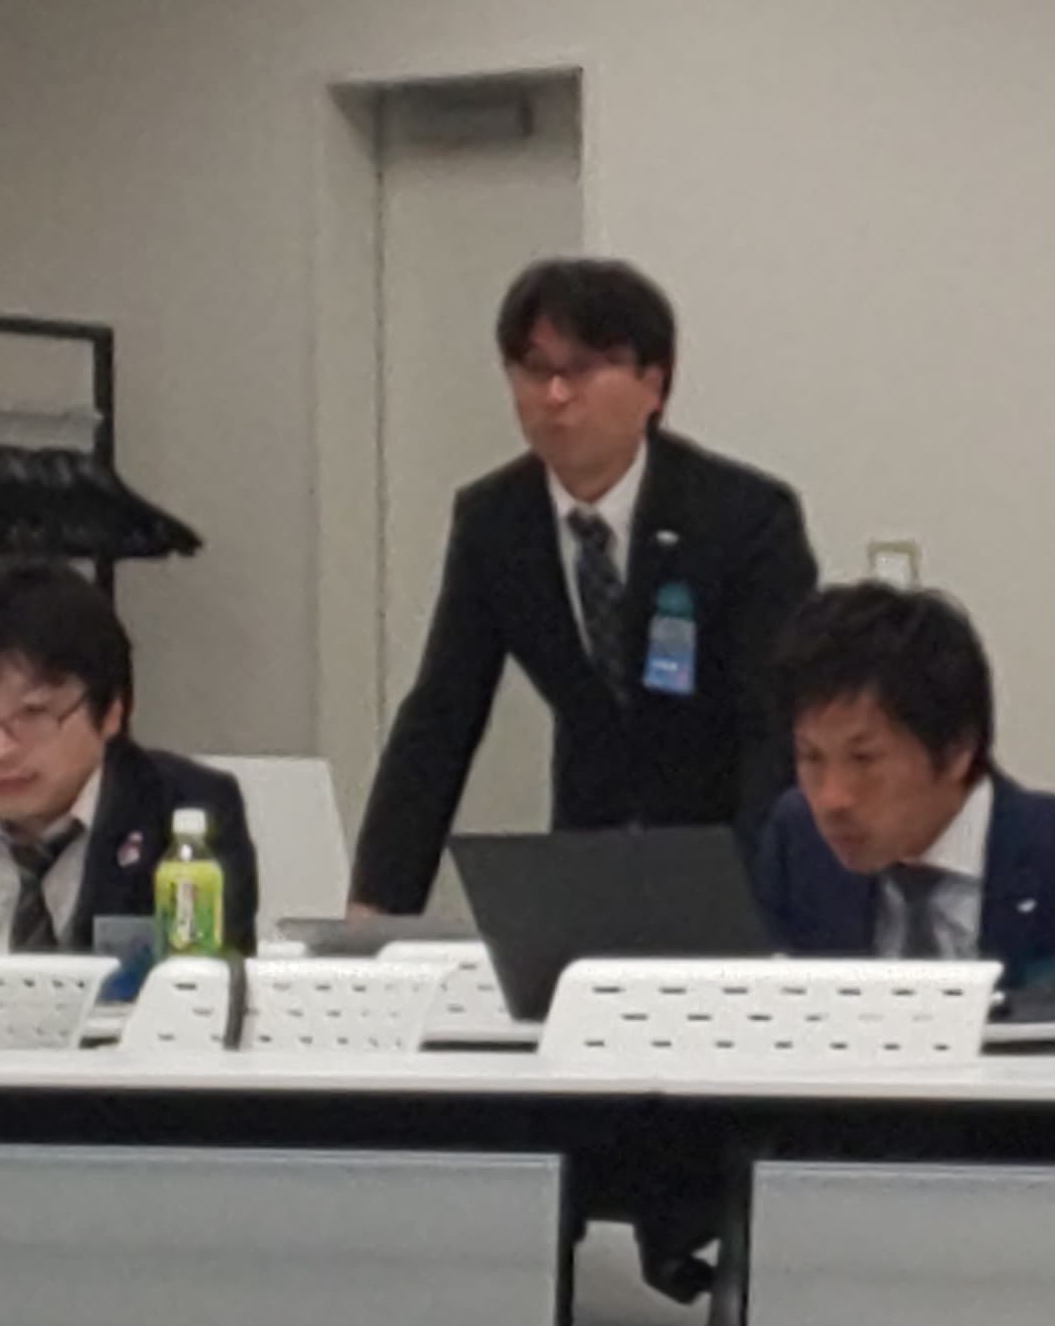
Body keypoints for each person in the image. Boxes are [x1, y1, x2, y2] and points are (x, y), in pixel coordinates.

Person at [349, 258, 817, 914]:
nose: (555, 395)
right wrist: (378, 901)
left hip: (726, 845)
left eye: (584, 369)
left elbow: (772, 723)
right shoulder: (495, 521)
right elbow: (442, 716)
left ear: (653, 383)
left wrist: (750, 892)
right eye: (534, 369)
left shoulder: (742, 516)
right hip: (588, 855)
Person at [749, 583, 1055, 1017]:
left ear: (958, 749)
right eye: (811, 758)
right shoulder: (799, 845)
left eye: (865, 759)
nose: (832, 798)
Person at [0, 558, 260, 954]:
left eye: (34, 714)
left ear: (112, 711)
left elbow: (211, 979)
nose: (1, 750)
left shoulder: (180, 812)